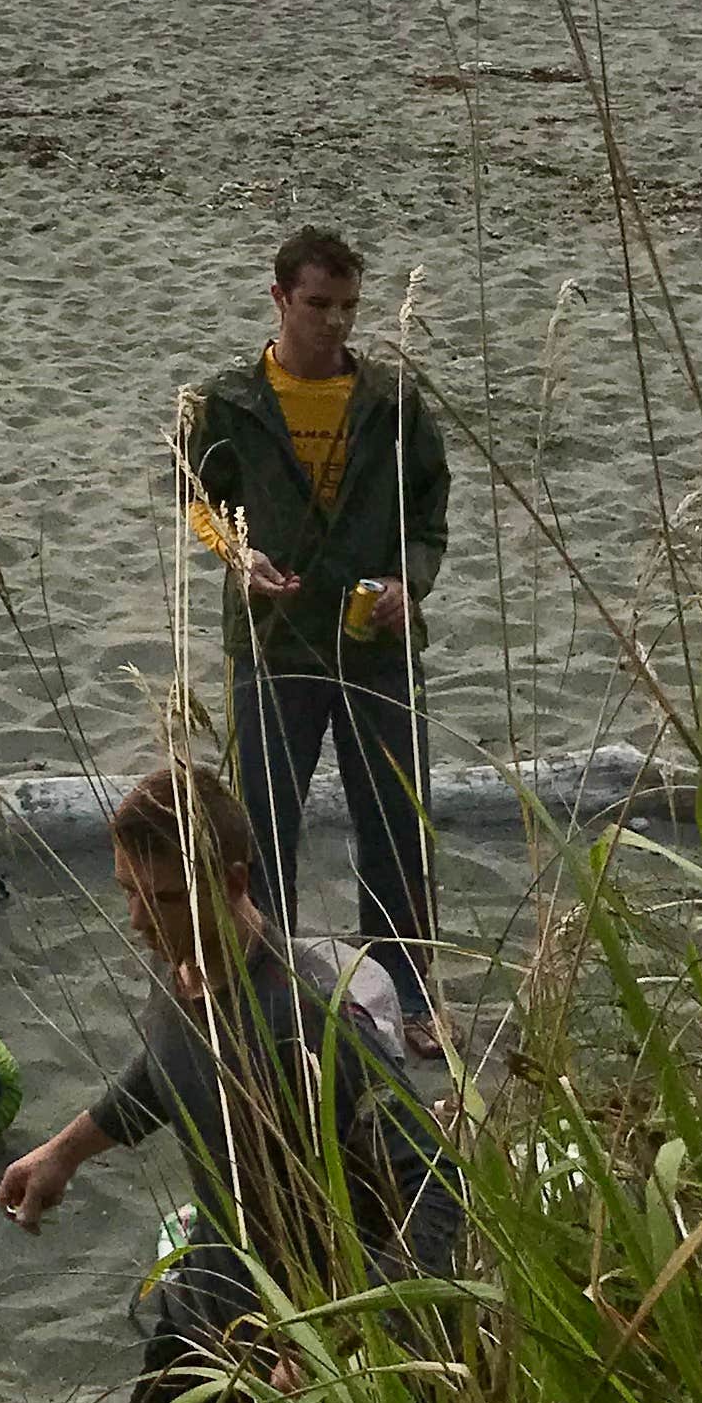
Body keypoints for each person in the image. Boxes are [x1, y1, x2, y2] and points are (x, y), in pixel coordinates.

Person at [0, 758, 457, 1403]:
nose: (134, 919)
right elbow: (170, 1069)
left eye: (157, 897)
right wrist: (67, 1151)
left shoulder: (313, 1018)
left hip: (328, 1339)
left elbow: (438, 1191)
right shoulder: (189, 966)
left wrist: (347, 1338)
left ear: (234, 883)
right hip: (216, 1311)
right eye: (127, 891)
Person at [178, 225, 450, 1060]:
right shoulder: (227, 403)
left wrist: (410, 580)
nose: (335, 323)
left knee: (393, 817)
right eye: (317, 305)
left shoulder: (394, 402)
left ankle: (407, 991)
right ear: (280, 299)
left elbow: (429, 516)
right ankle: (261, 987)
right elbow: (196, 499)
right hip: (273, 641)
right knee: (262, 822)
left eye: (348, 307)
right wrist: (236, 553)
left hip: (373, 642)